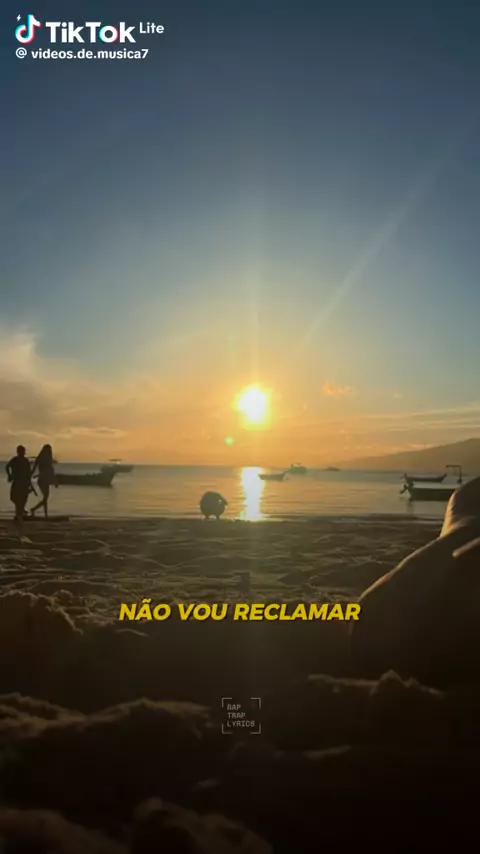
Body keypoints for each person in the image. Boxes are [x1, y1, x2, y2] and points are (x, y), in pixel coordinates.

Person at [5, 445, 32, 537]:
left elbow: (29, 473)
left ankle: (19, 515)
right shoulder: (15, 460)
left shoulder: (25, 461)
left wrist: (29, 483)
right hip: (17, 481)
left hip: (23, 482)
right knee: (13, 497)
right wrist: (9, 475)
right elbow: (7, 467)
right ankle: (20, 512)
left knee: (22, 498)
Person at [30, 443, 57, 518]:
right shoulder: (43, 460)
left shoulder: (44, 459)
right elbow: (50, 471)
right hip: (42, 480)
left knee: (45, 498)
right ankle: (34, 509)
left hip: (45, 479)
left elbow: (51, 471)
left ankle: (45, 514)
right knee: (45, 498)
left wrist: (54, 480)